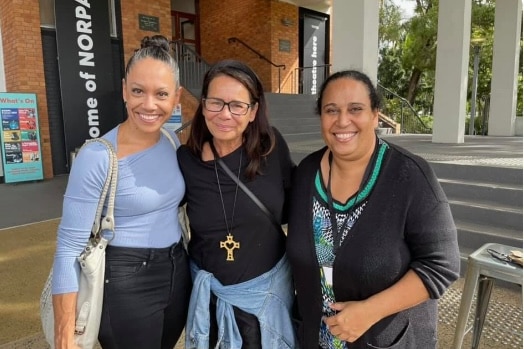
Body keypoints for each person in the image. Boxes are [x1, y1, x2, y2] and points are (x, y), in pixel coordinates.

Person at [286, 70, 460, 349]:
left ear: (375, 115)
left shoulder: (409, 176)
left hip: (385, 340)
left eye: (356, 109)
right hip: (315, 339)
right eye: (332, 110)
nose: (343, 121)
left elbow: (441, 265)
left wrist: (369, 311)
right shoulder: (306, 174)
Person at [51, 35, 191, 349]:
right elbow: (68, 248)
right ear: (125, 88)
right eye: (139, 91)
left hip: (177, 272)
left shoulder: (171, 142)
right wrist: (64, 336)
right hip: (125, 283)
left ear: (177, 97)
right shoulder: (97, 156)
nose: (149, 104)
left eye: (162, 94)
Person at [177, 59, 297, 348]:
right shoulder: (185, 160)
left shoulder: (271, 148)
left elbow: (299, 203)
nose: (224, 114)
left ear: (254, 111)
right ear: (203, 105)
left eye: (237, 105)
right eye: (216, 102)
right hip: (212, 303)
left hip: (267, 296)